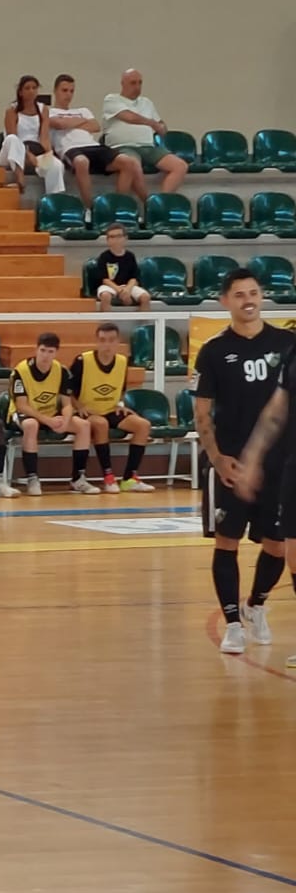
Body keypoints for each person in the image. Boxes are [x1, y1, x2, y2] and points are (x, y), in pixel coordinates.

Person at [191, 268, 295, 654]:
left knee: (278, 546)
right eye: (239, 295)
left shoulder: (288, 343)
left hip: (281, 464)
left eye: (253, 292)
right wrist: (217, 459)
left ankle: (256, 604)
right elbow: (202, 413)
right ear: (225, 301)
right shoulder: (215, 350)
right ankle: (233, 623)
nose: (248, 300)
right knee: (227, 542)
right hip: (231, 463)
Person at [231, 321, 296, 668]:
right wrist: (253, 456)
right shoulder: (292, 353)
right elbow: (275, 412)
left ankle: (254, 604)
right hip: (292, 463)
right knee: (291, 551)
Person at [65, 320, 155, 493]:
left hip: (110, 409)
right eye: (103, 340)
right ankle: (108, 476)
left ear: (117, 341)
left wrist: (120, 404)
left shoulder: (122, 361)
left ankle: (130, 477)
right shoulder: (82, 360)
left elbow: (120, 388)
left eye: (111, 340)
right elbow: (67, 390)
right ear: (97, 341)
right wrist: (79, 406)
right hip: (88, 412)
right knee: (101, 424)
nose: (107, 345)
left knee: (143, 425)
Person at [8, 331, 95, 497]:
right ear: (36, 349)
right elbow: (22, 406)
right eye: (42, 350)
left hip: (50, 414)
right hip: (25, 414)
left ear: (56, 352)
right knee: (31, 425)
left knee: (84, 425)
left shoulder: (61, 371)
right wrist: (48, 421)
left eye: (50, 352)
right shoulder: (21, 371)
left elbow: (67, 404)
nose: (46, 356)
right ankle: (32, 478)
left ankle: (78, 478)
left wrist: (65, 421)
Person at [48, 74, 146, 208]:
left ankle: (117, 206)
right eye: (64, 90)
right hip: (71, 148)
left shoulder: (83, 110)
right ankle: (90, 208)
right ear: (55, 91)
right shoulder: (49, 112)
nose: (68, 95)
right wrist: (81, 121)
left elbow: (95, 126)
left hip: (93, 146)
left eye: (72, 91)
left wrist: (68, 122)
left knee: (128, 163)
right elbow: (58, 125)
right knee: (82, 162)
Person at [101, 69, 190, 194]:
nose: (137, 87)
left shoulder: (147, 102)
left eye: (140, 83)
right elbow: (129, 117)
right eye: (133, 83)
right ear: (123, 84)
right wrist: (152, 123)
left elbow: (160, 123)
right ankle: (148, 204)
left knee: (180, 166)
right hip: (123, 147)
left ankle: (162, 201)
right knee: (133, 166)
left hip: (148, 147)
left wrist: (162, 127)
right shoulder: (112, 99)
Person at [0, 75, 65, 195]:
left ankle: (53, 198)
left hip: (35, 150)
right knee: (12, 139)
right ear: (20, 92)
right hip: (12, 152)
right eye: (27, 88)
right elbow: (11, 134)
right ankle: (19, 176)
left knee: (56, 165)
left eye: (34, 88)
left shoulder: (43, 109)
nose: (31, 91)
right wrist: (28, 155)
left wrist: (49, 155)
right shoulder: (12, 111)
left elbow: (44, 138)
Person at [89, 223, 150, 310]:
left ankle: (144, 323)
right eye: (112, 237)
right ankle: (106, 322)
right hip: (110, 286)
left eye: (119, 236)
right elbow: (105, 279)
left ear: (125, 238)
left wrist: (127, 290)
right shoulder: (104, 257)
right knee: (105, 296)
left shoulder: (130, 256)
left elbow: (134, 278)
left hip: (127, 286)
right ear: (107, 240)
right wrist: (120, 291)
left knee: (145, 297)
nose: (115, 240)